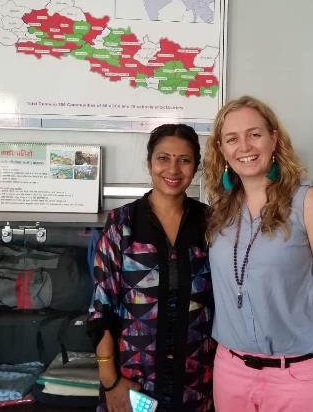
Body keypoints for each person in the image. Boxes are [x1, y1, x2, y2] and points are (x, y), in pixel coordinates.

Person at [204, 96, 313, 412]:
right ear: (222, 150)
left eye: (254, 134)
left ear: (273, 138)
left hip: (297, 376)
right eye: (232, 139)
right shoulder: (220, 211)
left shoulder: (309, 202)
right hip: (231, 371)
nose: (244, 146)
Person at [88, 124, 215, 412]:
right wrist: (110, 382)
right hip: (133, 383)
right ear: (149, 164)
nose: (173, 169)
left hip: (197, 384)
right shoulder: (122, 223)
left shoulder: (211, 224)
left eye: (184, 160)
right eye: (163, 158)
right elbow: (101, 308)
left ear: (195, 168)